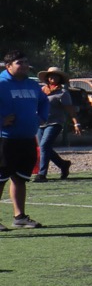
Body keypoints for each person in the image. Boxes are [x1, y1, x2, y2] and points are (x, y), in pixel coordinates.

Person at [0, 53, 49, 228]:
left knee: (20, 178)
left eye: (27, 61)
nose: (25, 65)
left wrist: (42, 117)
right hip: (4, 140)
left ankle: (19, 217)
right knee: (1, 178)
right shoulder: (1, 83)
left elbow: (44, 102)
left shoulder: (32, 84)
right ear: (8, 66)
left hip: (27, 139)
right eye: (19, 62)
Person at [35, 69, 76, 180]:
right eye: (50, 76)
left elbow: (70, 109)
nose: (52, 78)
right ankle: (63, 164)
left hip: (55, 123)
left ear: (60, 79)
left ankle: (42, 174)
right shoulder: (41, 91)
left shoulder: (63, 93)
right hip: (41, 123)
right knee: (44, 147)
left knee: (44, 146)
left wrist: (76, 123)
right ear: (47, 78)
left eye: (56, 76)